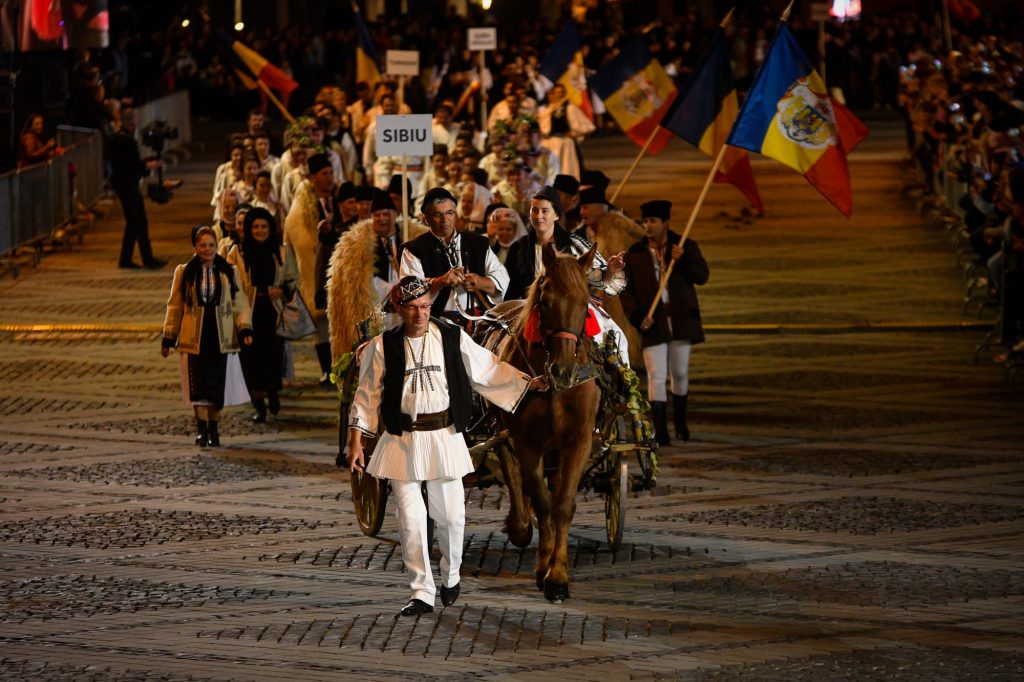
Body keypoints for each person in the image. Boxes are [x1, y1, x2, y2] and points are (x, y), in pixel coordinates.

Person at [346, 276, 547, 616]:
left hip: (444, 436)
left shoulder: (452, 337)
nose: (420, 314)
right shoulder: (383, 346)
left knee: (451, 518)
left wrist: (526, 385)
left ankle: (451, 575)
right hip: (401, 440)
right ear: (398, 308)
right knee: (410, 520)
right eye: (412, 308)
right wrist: (356, 441)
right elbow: (366, 395)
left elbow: (485, 369)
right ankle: (421, 592)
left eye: (425, 306)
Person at [503, 186, 630, 364]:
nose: (539, 216)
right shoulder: (519, 247)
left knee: (615, 337)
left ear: (556, 215)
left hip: (572, 308)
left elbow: (597, 278)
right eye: (535, 210)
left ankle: (620, 382)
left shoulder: (575, 243)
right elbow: (510, 285)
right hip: (527, 308)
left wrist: (609, 271)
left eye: (545, 211)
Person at [620, 200, 709, 443]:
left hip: (680, 321)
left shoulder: (684, 246)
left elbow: (702, 276)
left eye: (653, 221)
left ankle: (681, 423)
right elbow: (625, 291)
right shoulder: (635, 254)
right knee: (655, 374)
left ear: (665, 223)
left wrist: (686, 259)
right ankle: (660, 430)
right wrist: (637, 317)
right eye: (645, 221)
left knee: (679, 373)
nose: (647, 226)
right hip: (652, 322)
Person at [162, 225, 253, 448]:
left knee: (216, 385)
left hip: (220, 336)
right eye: (202, 245)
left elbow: (239, 302)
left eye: (211, 245)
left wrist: (245, 328)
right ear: (195, 246)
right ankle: (202, 428)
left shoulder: (228, 271)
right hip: (194, 336)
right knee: (197, 385)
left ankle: (214, 427)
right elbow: (175, 305)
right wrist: (168, 336)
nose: (207, 249)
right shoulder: (184, 272)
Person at [228, 208, 298, 422]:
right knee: (250, 360)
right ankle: (258, 404)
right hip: (247, 315)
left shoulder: (281, 251)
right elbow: (231, 283)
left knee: (273, 357)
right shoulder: (237, 253)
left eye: (264, 226)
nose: (259, 231)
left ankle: (273, 393)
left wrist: (283, 291)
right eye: (255, 227)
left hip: (272, 313)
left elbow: (293, 280)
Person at [400, 187, 509, 326]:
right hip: (435, 322)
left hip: (478, 320)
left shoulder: (478, 243)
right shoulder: (414, 249)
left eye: (449, 213)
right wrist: (440, 282)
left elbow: (502, 278)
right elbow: (408, 291)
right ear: (426, 219)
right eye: (437, 214)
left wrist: (480, 281)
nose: (445, 220)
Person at [284, 152, 338, 384]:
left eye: (331, 173)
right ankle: (327, 370)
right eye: (325, 174)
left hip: (337, 268)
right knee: (321, 325)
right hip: (316, 272)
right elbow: (302, 244)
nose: (330, 178)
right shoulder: (302, 209)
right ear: (314, 177)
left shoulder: (335, 198)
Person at [108, 107, 165, 270]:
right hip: (129, 186)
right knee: (138, 221)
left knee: (134, 223)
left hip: (121, 185)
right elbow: (134, 165)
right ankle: (142, 259)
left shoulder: (114, 139)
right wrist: (151, 165)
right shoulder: (127, 141)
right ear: (131, 122)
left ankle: (132, 259)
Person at [538, 83, 595, 180]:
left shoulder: (569, 108)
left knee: (566, 169)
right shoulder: (545, 110)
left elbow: (589, 126)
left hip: (565, 144)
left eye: (561, 92)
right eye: (556, 92)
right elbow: (542, 127)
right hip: (549, 144)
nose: (559, 95)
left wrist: (574, 133)